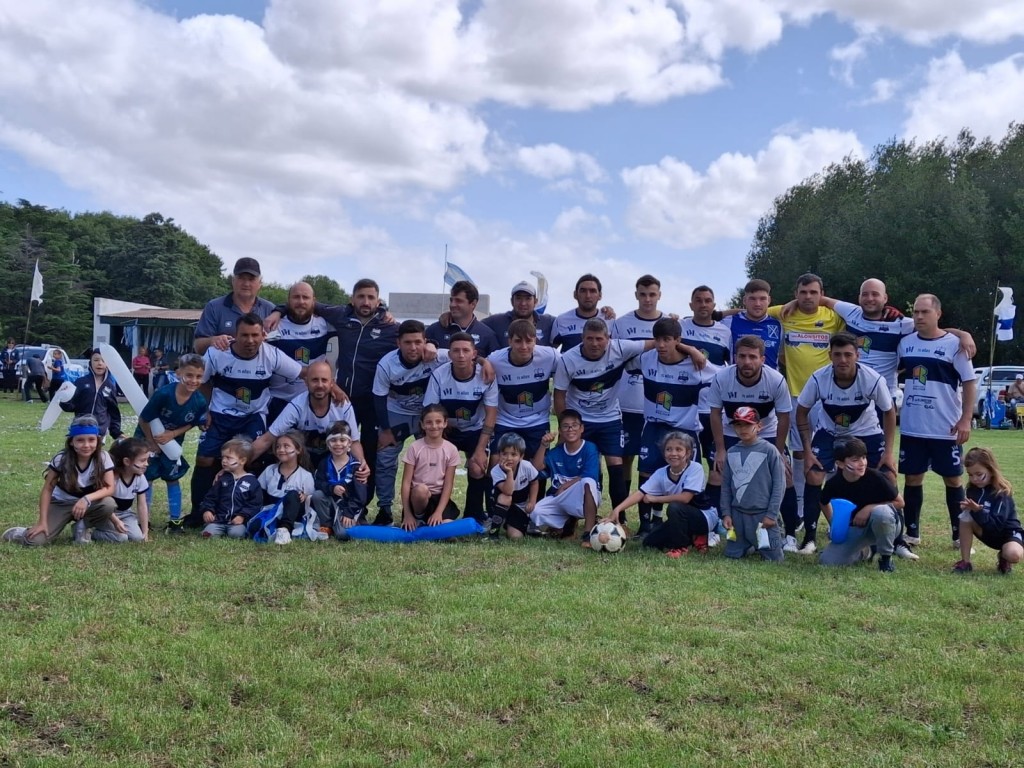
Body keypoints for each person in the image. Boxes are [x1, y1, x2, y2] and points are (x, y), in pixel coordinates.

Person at [188, 312, 308, 523]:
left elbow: (303, 372)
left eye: (255, 335)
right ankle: (200, 512)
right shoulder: (217, 353)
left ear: (263, 335)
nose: (250, 340)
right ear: (235, 335)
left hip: (253, 415)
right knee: (204, 459)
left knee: (250, 458)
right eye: (244, 335)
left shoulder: (272, 354)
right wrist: (205, 409)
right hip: (220, 413)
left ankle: (246, 512)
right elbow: (202, 381)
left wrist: (331, 385)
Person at [795, 332, 897, 556]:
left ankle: (896, 540)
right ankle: (810, 537)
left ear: (857, 355)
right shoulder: (818, 378)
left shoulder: (872, 379)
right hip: (830, 431)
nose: (843, 360)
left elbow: (889, 412)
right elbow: (801, 411)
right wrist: (807, 451)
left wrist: (889, 452)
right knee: (813, 474)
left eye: (848, 355)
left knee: (888, 474)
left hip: (867, 431)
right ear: (830, 355)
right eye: (838, 354)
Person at [898, 294, 976, 547]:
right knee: (912, 478)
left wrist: (966, 419)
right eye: (916, 312)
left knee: (953, 479)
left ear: (938, 314)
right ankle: (912, 533)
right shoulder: (905, 343)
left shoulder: (955, 345)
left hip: (946, 428)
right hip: (913, 427)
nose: (919, 316)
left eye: (925, 312)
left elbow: (969, 383)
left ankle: (958, 535)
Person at [707, 335, 799, 550]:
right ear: (735, 357)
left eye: (752, 357)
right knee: (716, 474)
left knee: (786, 477)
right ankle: (715, 528)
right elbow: (715, 413)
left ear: (762, 359)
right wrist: (720, 449)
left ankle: (790, 535)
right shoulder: (722, 378)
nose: (747, 361)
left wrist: (778, 452)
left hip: (767, 432)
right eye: (742, 356)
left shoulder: (775, 380)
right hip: (732, 431)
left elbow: (784, 417)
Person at [554, 317, 649, 512]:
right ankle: (576, 516)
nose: (595, 343)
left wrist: (691, 351)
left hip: (609, 418)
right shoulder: (568, 359)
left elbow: (657, 343)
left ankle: (619, 518)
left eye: (599, 339)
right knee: (583, 467)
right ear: (582, 339)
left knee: (616, 465)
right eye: (589, 338)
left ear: (608, 338)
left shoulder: (620, 348)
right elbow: (559, 395)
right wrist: (566, 427)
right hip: (581, 419)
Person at [633, 317, 714, 535]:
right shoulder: (646, 359)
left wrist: (692, 351)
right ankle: (646, 525)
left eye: (667, 339)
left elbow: (722, 376)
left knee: (686, 477)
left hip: (684, 430)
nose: (661, 345)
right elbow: (621, 356)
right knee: (647, 473)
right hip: (654, 426)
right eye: (657, 339)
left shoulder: (696, 364)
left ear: (678, 340)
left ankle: (687, 525)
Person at [3, 416, 127, 546]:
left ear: (98, 440)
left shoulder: (103, 457)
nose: (86, 445)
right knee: (35, 541)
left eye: (91, 440)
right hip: (62, 502)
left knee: (108, 504)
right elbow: (47, 489)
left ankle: (82, 526)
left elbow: (109, 488)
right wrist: (42, 522)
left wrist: (86, 499)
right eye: (80, 440)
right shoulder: (61, 459)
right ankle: (21, 533)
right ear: (71, 442)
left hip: (88, 504)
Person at [373, 320, 450, 526]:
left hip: (427, 414)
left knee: (432, 459)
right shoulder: (386, 364)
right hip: (396, 413)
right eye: (408, 342)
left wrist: (485, 363)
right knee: (385, 458)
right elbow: (379, 397)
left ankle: (428, 507)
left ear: (425, 341)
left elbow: (468, 356)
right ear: (398, 343)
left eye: (418, 342)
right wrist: (386, 430)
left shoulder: (437, 356)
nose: (413, 347)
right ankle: (385, 508)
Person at [423, 332, 498, 523]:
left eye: (466, 350)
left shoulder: (485, 375)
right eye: (456, 351)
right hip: (448, 430)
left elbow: (491, 415)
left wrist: (480, 450)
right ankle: (438, 512)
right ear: (449, 354)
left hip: (475, 430)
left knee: (477, 467)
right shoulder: (439, 375)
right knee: (434, 468)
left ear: (474, 354)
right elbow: (430, 411)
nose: (461, 355)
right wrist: (439, 437)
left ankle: (474, 514)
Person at [608, 431, 719, 557]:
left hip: (705, 517)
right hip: (681, 519)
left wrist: (655, 499)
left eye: (678, 449)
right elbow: (640, 493)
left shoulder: (695, 468)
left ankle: (681, 547)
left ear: (688, 453)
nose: (673, 453)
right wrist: (617, 510)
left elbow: (685, 498)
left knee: (675, 507)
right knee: (650, 543)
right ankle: (694, 538)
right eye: (668, 449)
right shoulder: (661, 473)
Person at [135, 354, 208, 534]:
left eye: (198, 376)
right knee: (147, 477)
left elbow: (193, 422)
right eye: (189, 375)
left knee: (173, 477)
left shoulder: (199, 401)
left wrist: (173, 434)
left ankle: (175, 522)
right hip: (147, 440)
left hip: (172, 444)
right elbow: (144, 419)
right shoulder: (164, 394)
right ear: (178, 373)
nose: (193, 380)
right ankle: (145, 520)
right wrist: (151, 443)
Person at [611, 275, 668, 501]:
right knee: (625, 458)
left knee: (654, 460)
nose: (647, 299)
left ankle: (651, 513)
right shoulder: (622, 323)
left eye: (652, 294)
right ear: (636, 295)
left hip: (656, 405)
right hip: (626, 403)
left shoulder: (669, 323)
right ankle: (621, 512)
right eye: (643, 294)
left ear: (659, 295)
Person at [252, 360, 365, 471]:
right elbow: (267, 439)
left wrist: (362, 464)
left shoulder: (342, 405)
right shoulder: (297, 405)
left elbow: (354, 442)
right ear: (306, 382)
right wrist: (243, 461)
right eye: (315, 380)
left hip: (333, 465)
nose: (319, 385)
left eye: (324, 380)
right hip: (304, 465)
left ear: (332, 383)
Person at [680, 285, 732, 509]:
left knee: (716, 465)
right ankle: (688, 513)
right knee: (686, 465)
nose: (703, 304)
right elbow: (666, 340)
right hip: (686, 409)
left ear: (714, 305)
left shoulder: (725, 332)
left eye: (707, 300)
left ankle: (713, 514)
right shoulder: (680, 326)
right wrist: (691, 349)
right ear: (691, 304)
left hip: (713, 410)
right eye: (698, 300)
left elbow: (731, 366)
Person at [818, 438, 904, 572]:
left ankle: (885, 559)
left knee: (881, 512)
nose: (862, 463)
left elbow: (900, 502)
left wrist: (869, 509)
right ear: (840, 464)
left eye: (864, 458)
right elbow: (823, 502)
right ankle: (867, 551)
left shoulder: (876, 477)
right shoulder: (834, 483)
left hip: (886, 523)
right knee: (828, 560)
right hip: (857, 528)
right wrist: (835, 525)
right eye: (855, 460)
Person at [487, 319, 561, 463]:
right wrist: (482, 362)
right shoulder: (495, 360)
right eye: (518, 341)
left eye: (529, 341)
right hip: (506, 420)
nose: (524, 346)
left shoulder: (550, 356)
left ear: (535, 341)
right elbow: (474, 365)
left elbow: (571, 365)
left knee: (538, 468)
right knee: (496, 465)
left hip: (537, 420)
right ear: (509, 341)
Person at [264, 281, 336, 424]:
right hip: (278, 399)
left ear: (314, 301)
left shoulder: (324, 324)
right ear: (288, 300)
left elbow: (350, 315)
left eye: (305, 297)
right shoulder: (273, 325)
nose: (301, 302)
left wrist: (381, 311)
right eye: (296, 297)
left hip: (311, 400)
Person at [720, 407, 785, 562]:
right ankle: (747, 544)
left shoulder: (770, 451)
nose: (743, 429)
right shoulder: (731, 452)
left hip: (762, 516)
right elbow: (726, 486)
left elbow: (779, 485)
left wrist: (771, 514)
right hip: (738, 516)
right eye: (738, 425)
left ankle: (775, 536)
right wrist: (726, 513)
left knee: (774, 559)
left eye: (748, 424)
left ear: (759, 426)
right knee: (732, 555)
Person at [529, 409, 601, 546]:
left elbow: (589, 476)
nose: (570, 429)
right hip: (560, 497)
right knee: (536, 512)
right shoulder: (556, 452)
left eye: (574, 425)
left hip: (582, 497)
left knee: (588, 481)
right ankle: (566, 524)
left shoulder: (589, 448)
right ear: (560, 431)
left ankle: (588, 533)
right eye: (566, 426)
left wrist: (565, 485)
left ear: (582, 428)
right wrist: (543, 445)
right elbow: (536, 468)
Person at [953, 447, 1024, 574]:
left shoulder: (1002, 493)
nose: (974, 479)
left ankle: (1004, 557)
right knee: (965, 516)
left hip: (1007, 534)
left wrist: (978, 511)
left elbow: (996, 526)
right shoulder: (971, 490)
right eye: (970, 475)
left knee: (1013, 554)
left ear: (991, 470)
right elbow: (974, 517)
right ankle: (965, 562)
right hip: (987, 532)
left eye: (979, 474)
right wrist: (969, 509)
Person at [194, 257, 276, 355]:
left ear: (260, 283)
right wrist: (212, 341)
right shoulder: (214, 307)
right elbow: (197, 347)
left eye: (251, 279)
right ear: (233, 280)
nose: (246, 284)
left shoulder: (270, 310)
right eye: (241, 278)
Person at [399, 405, 461, 531]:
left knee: (448, 527)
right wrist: (408, 514)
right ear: (422, 425)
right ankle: (419, 518)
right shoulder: (415, 447)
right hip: (418, 498)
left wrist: (438, 512)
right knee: (420, 490)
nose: (434, 426)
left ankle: (434, 523)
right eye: (429, 422)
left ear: (445, 423)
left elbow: (448, 484)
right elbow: (406, 482)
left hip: (439, 499)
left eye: (438, 422)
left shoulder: (451, 449)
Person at [310, 422, 369, 540]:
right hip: (331, 502)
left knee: (343, 535)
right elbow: (318, 483)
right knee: (317, 495)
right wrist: (332, 488)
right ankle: (326, 525)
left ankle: (350, 521)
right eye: (333, 440)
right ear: (328, 443)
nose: (338, 444)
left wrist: (349, 513)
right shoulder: (324, 463)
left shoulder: (356, 467)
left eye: (342, 440)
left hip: (349, 507)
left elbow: (361, 497)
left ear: (349, 443)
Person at [259, 431, 316, 545]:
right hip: (272, 510)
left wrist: (305, 496)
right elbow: (259, 493)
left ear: (298, 450)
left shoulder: (305, 475)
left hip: (292, 512)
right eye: (278, 446)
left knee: (293, 494)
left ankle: (284, 530)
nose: (281, 450)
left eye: (286, 446)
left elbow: (310, 500)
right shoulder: (270, 470)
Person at [198, 438, 261, 539]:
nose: (224, 461)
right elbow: (210, 497)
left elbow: (254, 504)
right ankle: (213, 529)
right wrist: (207, 510)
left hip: (238, 522)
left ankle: (238, 531)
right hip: (219, 520)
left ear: (242, 460)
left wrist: (242, 516)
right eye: (223, 457)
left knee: (236, 534)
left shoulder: (252, 482)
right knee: (208, 534)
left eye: (229, 458)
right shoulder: (222, 479)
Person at [487, 432, 540, 540]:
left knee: (516, 537)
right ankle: (494, 532)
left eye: (513, 454)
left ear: (521, 456)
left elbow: (534, 483)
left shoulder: (527, 466)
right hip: (500, 503)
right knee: (505, 497)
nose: (509, 458)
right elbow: (508, 491)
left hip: (519, 505)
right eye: (504, 454)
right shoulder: (496, 471)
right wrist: (509, 472)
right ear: (499, 454)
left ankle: (509, 523)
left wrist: (532, 501)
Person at [721, 279, 783, 370]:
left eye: (762, 299)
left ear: (769, 300)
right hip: (736, 378)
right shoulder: (729, 322)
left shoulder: (779, 325)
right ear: (744, 300)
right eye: (752, 299)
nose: (757, 304)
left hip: (770, 379)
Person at [426, 280, 499, 356]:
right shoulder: (434, 330)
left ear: (473, 304)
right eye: (451, 300)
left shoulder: (487, 335)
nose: (452, 305)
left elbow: (496, 361)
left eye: (458, 301)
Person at [60, 350, 121, 440]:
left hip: (99, 432)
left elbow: (113, 411)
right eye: (96, 360)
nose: (100, 363)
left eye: (103, 360)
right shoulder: (81, 382)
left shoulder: (110, 386)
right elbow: (71, 406)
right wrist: (64, 399)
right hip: (81, 429)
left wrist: (116, 432)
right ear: (90, 363)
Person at [482, 280, 556, 348]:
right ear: (512, 301)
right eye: (518, 298)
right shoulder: (495, 322)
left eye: (528, 298)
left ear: (535, 301)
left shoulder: (549, 322)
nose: (523, 303)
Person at [552, 274, 615, 351]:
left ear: (600, 295)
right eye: (583, 291)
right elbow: (551, 352)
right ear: (575, 294)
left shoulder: (609, 319)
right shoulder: (561, 320)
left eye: (592, 291)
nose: (588, 295)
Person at [107, 438, 151, 543]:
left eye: (147, 460)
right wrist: (116, 521)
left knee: (137, 538)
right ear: (127, 461)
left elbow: (142, 505)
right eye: (142, 460)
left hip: (125, 514)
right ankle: (94, 532)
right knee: (122, 538)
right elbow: (104, 504)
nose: (147, 464)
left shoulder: (140, 478)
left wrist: (145, 531)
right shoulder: (113, 478)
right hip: (108, 515)